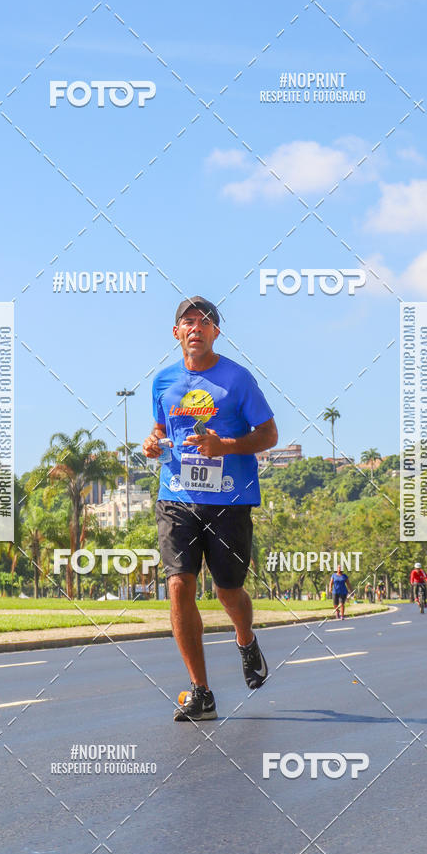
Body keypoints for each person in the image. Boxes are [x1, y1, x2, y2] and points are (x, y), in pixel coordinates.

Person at [142, 296, 278, 722]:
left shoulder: (237, 380)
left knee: (227, 591)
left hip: (230, 500)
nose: (196, 327)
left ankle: (245, 638)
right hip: (177, 496)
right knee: (179, 584)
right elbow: (162, 430)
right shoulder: (163, 382)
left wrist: (226, 446)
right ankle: (201, 691)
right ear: (177, 333)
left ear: (216, 333)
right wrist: (152, 444)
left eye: (205, 322)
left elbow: (270, 434)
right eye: (188, 321)